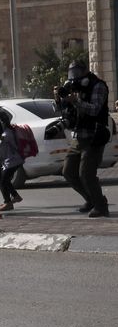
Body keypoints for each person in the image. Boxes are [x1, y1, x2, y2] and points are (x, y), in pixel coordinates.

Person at [54, 60, 110, 218]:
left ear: (85, 71)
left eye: (77, 72)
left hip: (94, 136)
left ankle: (101, 206)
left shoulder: (97, 85)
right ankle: (91, 199)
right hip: (78, 136)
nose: (74, 76)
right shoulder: (73, 87)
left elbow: (95, 109)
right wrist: (60, 100)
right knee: (68, 172)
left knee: (86, 173)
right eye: (72, 73)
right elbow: (66, 113)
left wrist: (76, 101)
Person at [0, 109, 25, 212]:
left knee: (2, 181)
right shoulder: (9, 130)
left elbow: (1, 150)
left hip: (12, 161)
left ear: (1, 122)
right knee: (6, 180)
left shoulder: (5, 135)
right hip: (15, 160)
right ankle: (15, 196)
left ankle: (8, 202)